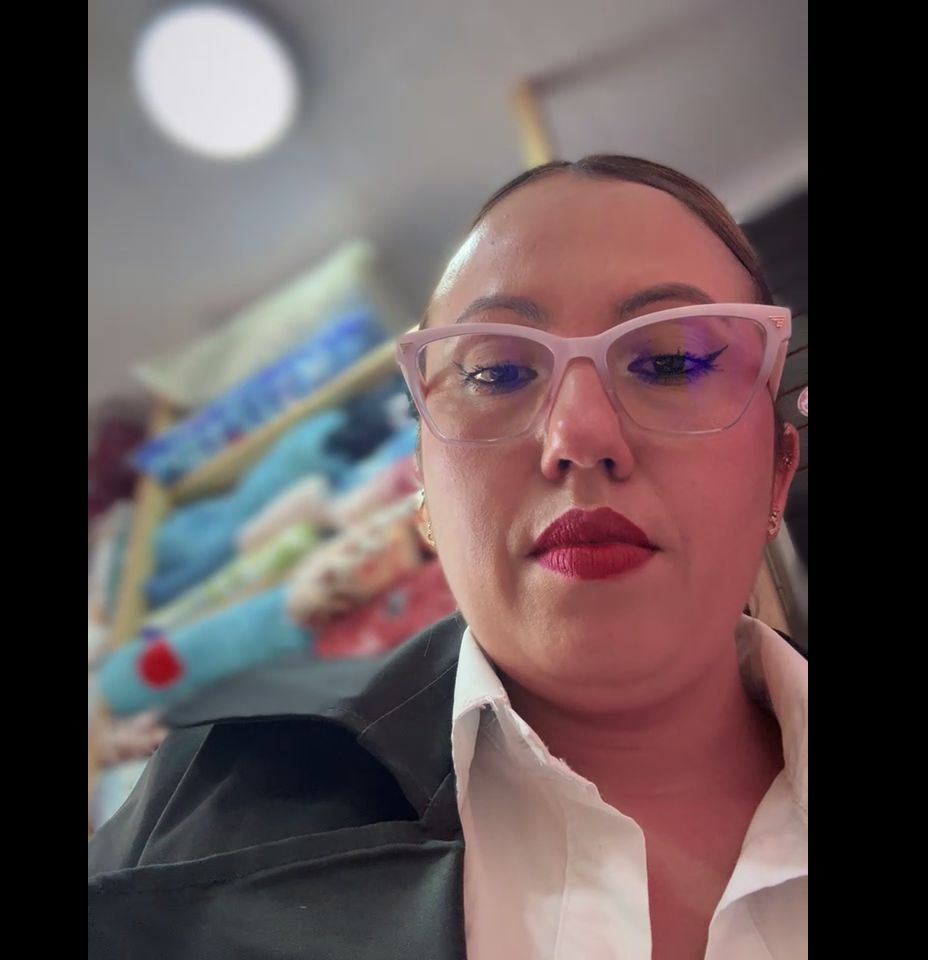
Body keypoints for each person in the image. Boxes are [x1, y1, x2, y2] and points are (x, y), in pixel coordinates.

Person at [89, 155, 807, 960]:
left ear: (778, 470)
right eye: (497, 372)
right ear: (423, 491)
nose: (578, 434)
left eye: (671, 361)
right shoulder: (193, 815)